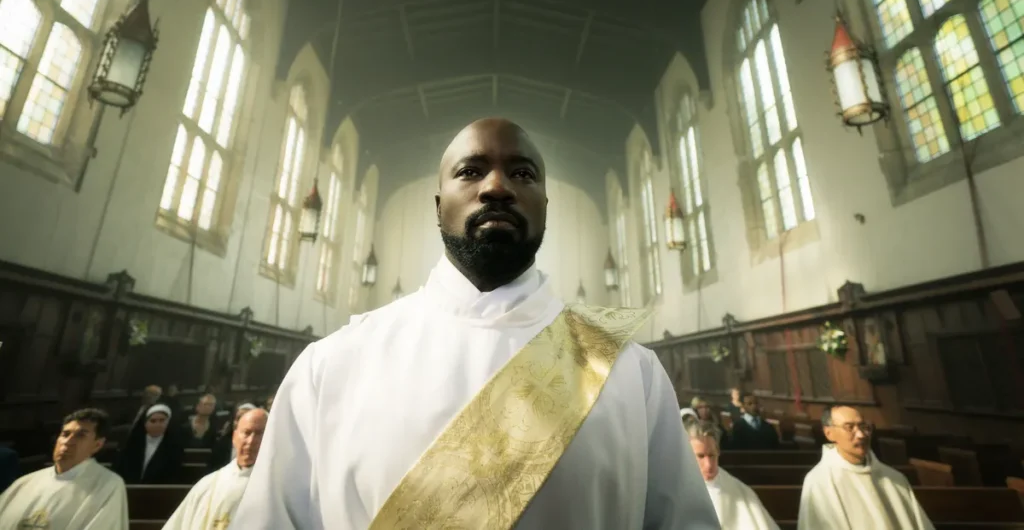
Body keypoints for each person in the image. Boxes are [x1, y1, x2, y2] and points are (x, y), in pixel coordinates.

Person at [230, 118, 719, 529]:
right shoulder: (332, 364)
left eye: (522, 173)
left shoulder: (631, 373)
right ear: (438, 204)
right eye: (471, 171)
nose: (497, 187)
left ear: (544, 208)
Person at [798, 405, 934, 530]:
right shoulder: (819, 482)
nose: (861, 435)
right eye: (849, 427)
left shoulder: (894, 477)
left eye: (863, 427)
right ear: (829, 433)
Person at [0, 408, 128, 529]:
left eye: (80, 435)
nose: (68, 441)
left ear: (97, 444)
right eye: (65, 434)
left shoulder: (108, 485)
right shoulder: (25, 483)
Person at [163, 409, 269, 529]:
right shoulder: (208, 485)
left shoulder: (276, 488)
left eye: (260, 434)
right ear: (234, 437)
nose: (251, 441)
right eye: (246, 432)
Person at [686, 420, 778, 529]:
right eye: (700, 456)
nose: (708, 465)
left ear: (718, 452)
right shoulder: (673, 489)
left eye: (711, 455)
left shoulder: (741, 491)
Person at [115, 404, 184, 484]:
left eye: (162, 420)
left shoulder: (174, 446)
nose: (157, 425)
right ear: (145, 423)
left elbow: (174, 476)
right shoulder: (131, 443)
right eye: (153, 421)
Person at [208, 403, 257, 471]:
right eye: (238, 418)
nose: (241, 422)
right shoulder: (222, 443)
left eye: (245, 418)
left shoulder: (263, 445)